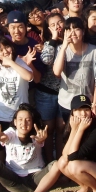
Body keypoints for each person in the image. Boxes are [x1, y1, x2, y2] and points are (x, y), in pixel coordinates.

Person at [23, 95, 96, 192]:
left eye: (86, 109)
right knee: (61, 162)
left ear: (91, 111)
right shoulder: (72, 127)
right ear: (72, 113)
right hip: (92, 169)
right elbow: (65, 155)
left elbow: (73, 156)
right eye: (79, 110)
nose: (83, 114)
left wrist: (79, 130)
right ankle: (84, 186)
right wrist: (74, 130)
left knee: (74, 165)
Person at [0, 36, 34, 157]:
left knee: (17, 147)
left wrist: (11, 63)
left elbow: (29, 77)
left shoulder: (19, 62)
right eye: (0, 50)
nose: (5, 51)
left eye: (7, 47)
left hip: (18, 116)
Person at [53, 17, 96, 123]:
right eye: (69, 29)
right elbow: (56, 72)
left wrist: (95, 104)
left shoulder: (93, 50)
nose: (72, 33)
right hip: (67, 102)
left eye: (76, 29)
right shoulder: (61, 49)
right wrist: (64, 47)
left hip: (86, 103)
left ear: (83, 32)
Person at [38, 13, 65, 162]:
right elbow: (46, 60)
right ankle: (49, 162)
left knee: (61, 128)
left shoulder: (71, 42)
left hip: (64, 93)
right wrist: (53, 39)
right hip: (46, 94)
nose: (57, 27)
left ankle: (60, 161)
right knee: (47, 129)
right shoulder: (48, 44)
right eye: (53, 25)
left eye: (60, 23)